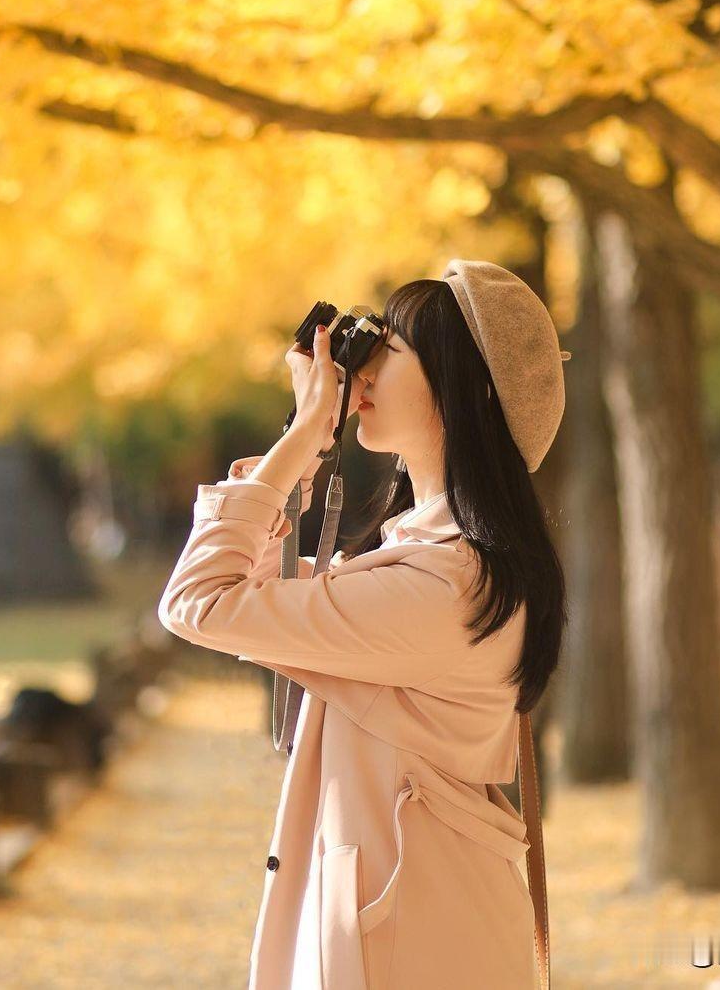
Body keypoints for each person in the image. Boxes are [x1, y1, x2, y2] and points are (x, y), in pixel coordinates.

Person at [156, 259, 570, 989]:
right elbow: (247, 593)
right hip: (420, 932)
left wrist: (305, 437)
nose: (365, 369)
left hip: (420, 947)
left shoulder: (445, 585)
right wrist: (305, 442)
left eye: (393, 348)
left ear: (463, 390)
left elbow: (203, 599)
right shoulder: (426, 558)